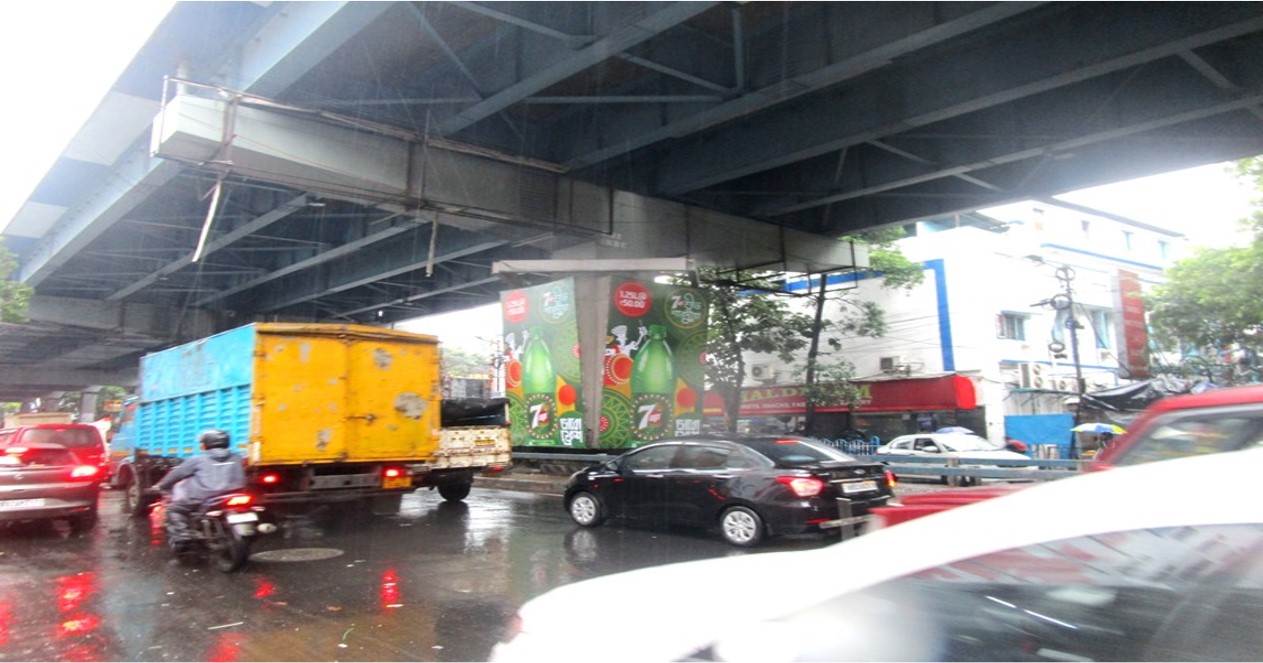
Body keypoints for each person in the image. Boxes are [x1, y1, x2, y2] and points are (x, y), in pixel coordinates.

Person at [154, 429, 247, 551]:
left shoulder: (197, 459)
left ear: (207, 444)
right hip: (235, 494)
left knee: (174, 510)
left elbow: (177, 474)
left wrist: (160, 486)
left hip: (204, 497)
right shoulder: (237, 457)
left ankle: (184, 537)